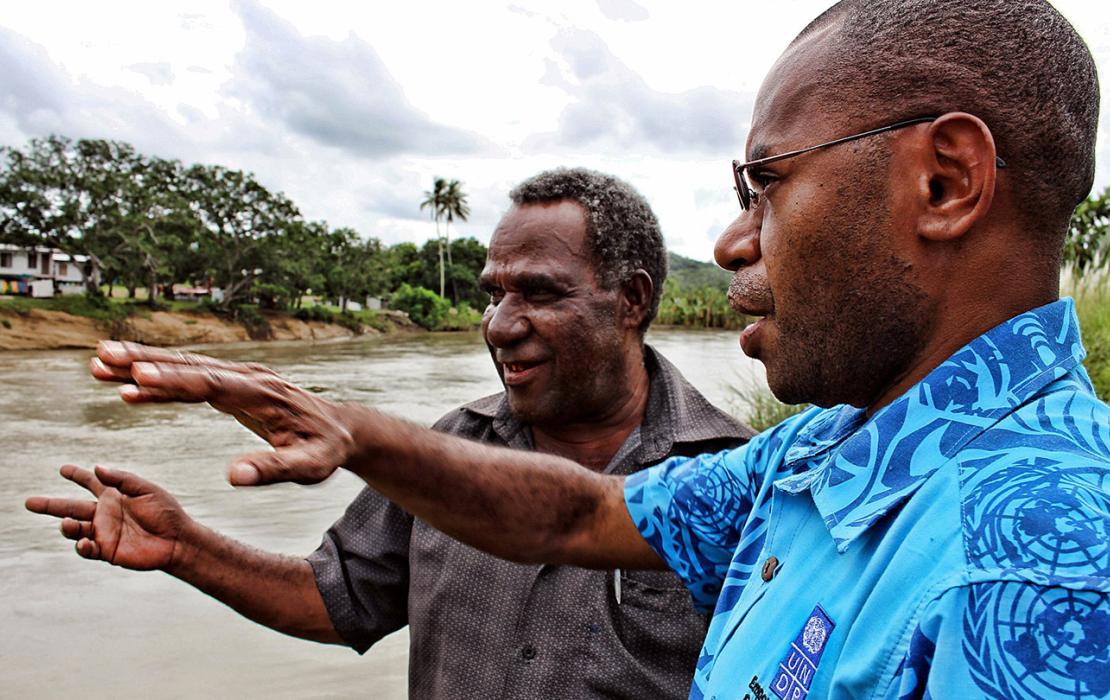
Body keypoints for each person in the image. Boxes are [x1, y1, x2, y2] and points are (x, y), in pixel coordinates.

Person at [30, 0, 1110, 697]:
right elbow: (574, 512)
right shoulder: (813, 457)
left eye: (765, 183)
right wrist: (352, 430)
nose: (734, 239)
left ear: (945, 182)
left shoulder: (1041, 567)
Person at [28, 168, 751, 699]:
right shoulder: (448, 449)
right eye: (493, 292)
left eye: (537, 292)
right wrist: (186, 547)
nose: (499, 325)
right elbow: (337, 599)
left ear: (631, 299)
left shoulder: (735, 481)